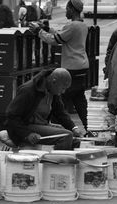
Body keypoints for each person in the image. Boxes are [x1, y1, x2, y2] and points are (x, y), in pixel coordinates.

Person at [34, 0, 90, 135]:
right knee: (78, 97)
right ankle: (88, 127)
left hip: (71, 67)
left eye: (67, 9)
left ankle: (58, 129)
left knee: (60, 98)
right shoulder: (82, 25)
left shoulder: (72, 25)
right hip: (82, 65)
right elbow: (62, 35)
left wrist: (39, 32)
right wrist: (47, 29)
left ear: (72, 9)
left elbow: (54, 40)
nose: (66, 11)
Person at [5, 68, 84, 150]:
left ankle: (69, 160)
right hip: (24, 127)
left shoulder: (52, 90)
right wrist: (27, 134)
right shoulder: (28, 90)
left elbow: (60, 112)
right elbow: (11, 116)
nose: (63, 92)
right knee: (66, 136)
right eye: (63, 88)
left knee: (74, 140)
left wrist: (73, 128)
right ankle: (56, 161)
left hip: (40, 124)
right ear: (53, 81)